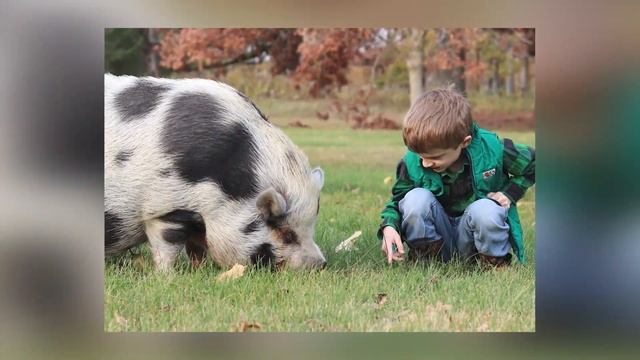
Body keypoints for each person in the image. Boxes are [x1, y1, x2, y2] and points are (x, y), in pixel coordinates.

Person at [378, 87, 535, 266]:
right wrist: (389, 226)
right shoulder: (413, 161)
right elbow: (398, 201)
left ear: (464, 142)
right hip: (437, 234)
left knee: (486, 209)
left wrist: (510, 193)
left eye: (434, 157)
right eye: (421, 156)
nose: (425, 163)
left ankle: (494, 264)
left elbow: (534, 162)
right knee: (415, 199)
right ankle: (429, 261)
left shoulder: (492, 149)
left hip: (474, 239)